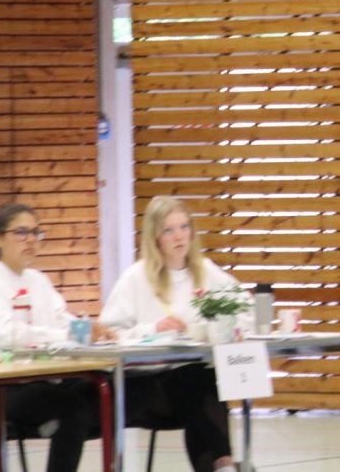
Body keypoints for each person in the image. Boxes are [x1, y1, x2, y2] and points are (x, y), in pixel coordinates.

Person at [100, 196, 247, 472]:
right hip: (146, 386)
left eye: (184, 227)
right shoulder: (135, 278)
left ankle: (223, 466)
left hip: (192, 384)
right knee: (199, 385)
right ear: (155, 237)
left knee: (201, 384)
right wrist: (153, 329)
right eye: (169, 230)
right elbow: (109, 333)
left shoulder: (205, 271)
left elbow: (243, 306)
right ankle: (226, 465)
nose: (179, 236)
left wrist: (223, 326)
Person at [0, 202, 113, 472]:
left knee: (111, 391)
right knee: (72, 409)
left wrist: (89, 329)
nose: (30, 240)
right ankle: (51, 423)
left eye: (36, 232)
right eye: (21, 232)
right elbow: (7, 336)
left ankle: (53, 425)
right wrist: (64, 334)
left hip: (41, 380)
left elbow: (63, 319)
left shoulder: (38, 280)